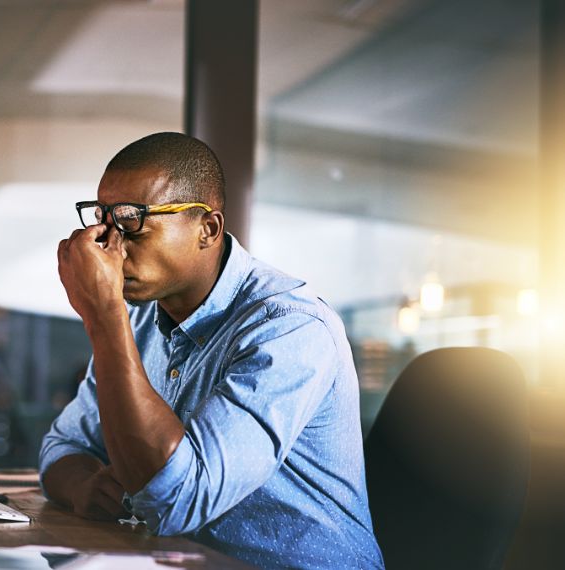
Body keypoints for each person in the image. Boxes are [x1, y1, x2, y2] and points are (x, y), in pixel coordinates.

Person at [39, 132, 383, 569]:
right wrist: (84, 486)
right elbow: (62, 446)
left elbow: (176, 498)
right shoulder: (143, 320)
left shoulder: (290, 329)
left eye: (131, 220)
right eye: (102, 219)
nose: (109, 244)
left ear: (208, 229)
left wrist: (104, 316)